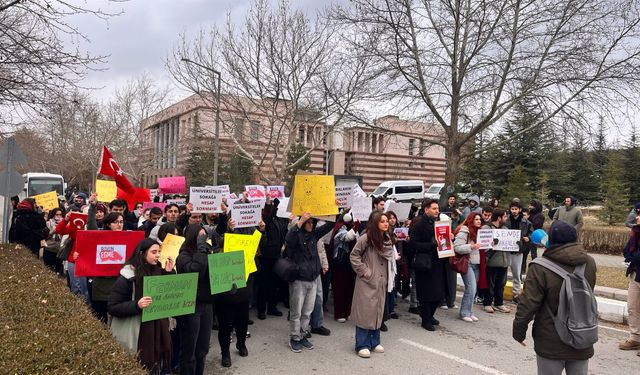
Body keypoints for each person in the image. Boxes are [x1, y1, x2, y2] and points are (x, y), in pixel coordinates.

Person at [513, 220, 596, 375]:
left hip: (550, 339)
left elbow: (528, 304)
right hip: (582, 334)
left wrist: (519, 332)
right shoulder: (589, 262)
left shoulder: (540, 267)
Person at [108, 238, 175, 373]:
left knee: (157, 364)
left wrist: (168, 272)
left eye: (159, 252)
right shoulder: (127, 276)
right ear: (142, 254)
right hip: (138, 332)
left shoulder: (159, 271)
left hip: (158, 330)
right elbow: (113, 306)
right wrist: (136, 306)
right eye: (153, 252)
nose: (157, 255)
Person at [284, 212, 334, 353]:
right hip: (299, 280)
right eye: (308, 222)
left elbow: (330, 224)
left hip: (312, 279)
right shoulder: (295, 236)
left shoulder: (314, 235)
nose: (311, 225)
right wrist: (301, 221)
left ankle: (303, 334)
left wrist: (339, 208)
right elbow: (289, 238)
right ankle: (294, 338)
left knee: (307, 312)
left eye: (312, 222)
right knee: (296, 312)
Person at [350, 211, 394, 358]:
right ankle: (361, 344)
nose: (386, 223)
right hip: (367, 281)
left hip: (381, 281)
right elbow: (354, 255)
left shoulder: (387, 239)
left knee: (378, 310)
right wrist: (365, 272)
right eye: (382, 221)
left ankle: (374, 341)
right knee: (365, 312)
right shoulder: (366, 238)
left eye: (386, 220)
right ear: (375, 223)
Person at [176, 224, 215, 375]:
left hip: (207, 305)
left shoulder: (206, 252)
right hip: (190, 306)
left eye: (204, 236)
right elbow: (195, 272)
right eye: (200, 237)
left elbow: (214, 276)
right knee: (189, 349)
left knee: (202, 348)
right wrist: (201, 250)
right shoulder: (183, 256)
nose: (203, 239)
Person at [408, 199, 447, 331]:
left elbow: (442, 240)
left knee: (438, 294)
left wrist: (448, 237)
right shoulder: (419, 225)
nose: (437, 211)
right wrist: (431, 244)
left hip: (437, 261)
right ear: (426, 210)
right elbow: (412, 245)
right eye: (434, 208)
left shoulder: (438, 223)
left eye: (437, 209)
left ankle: (430, 315)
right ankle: (426, 319)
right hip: (424, 263)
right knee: (426, 293)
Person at [256, 198, 286, 320]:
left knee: (274, 283)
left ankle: (272, 307)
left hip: (275, 256)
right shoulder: (263, 220)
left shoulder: (277, 220)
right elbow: (268, 219)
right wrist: (275, 205)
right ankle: (261, 310)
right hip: (265, 256)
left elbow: (281, 233)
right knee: (263, 284)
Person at [453, 213, 483, 322]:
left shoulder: (479, 232)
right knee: (470, 288)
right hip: (467, 263)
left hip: (477, 264)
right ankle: (464, 312)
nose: (479, 221)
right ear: (471, 220)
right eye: (476, 219)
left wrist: (489, 244)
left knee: (473, 290)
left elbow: (480, 250)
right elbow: (457, 247)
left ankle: (470, 312)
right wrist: (471, 246)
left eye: (480, 219)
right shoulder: (465, 231)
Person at [330, 213, 359, 323]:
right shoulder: (339, 227)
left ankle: (348, 312)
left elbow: (358, 240)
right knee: (340, 288)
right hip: (340, 262)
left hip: (351, 262)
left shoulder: (352, 227)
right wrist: (355, 228)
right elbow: (347, 237)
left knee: (350, 287)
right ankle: (339, 313)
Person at [503, 202, 532, 304]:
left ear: (520, 210)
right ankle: (499, 293)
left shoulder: (526, 222)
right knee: (502, 274)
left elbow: (531, 233)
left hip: (518, 251)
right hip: (506, 250)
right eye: (512, 209)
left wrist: (528, 238)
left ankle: (516, 295)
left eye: (516, 209)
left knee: (516, 274)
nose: (514, 211)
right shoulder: (506, 221)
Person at [483, 209, 511, 314]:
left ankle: (499, 303)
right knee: (490, 284)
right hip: (492, 261)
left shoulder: (505, 229)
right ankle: (487, 303)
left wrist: (517, 244)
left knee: (501, 284)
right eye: (504, 216)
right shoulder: (487, 228)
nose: (506, 218)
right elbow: (483, 245)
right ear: (499, 218)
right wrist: (491, 244)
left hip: (504, 261)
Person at [620, 214, 640, 353]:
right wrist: (632, 257)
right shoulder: (636, 232)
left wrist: (635, 257)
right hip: (635, 273)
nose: (637, 217)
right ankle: (635, 338)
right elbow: (627, 250)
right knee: (632, 307)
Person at [43, 208, 64, 275]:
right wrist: (53, 231)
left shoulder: (64, 223)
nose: (58, 216)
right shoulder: (48, 223)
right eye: (57, 214)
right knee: (49, 268)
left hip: (60, 249)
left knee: (57, 269)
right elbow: (45, 236)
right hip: (49, 248)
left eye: (60, 214)